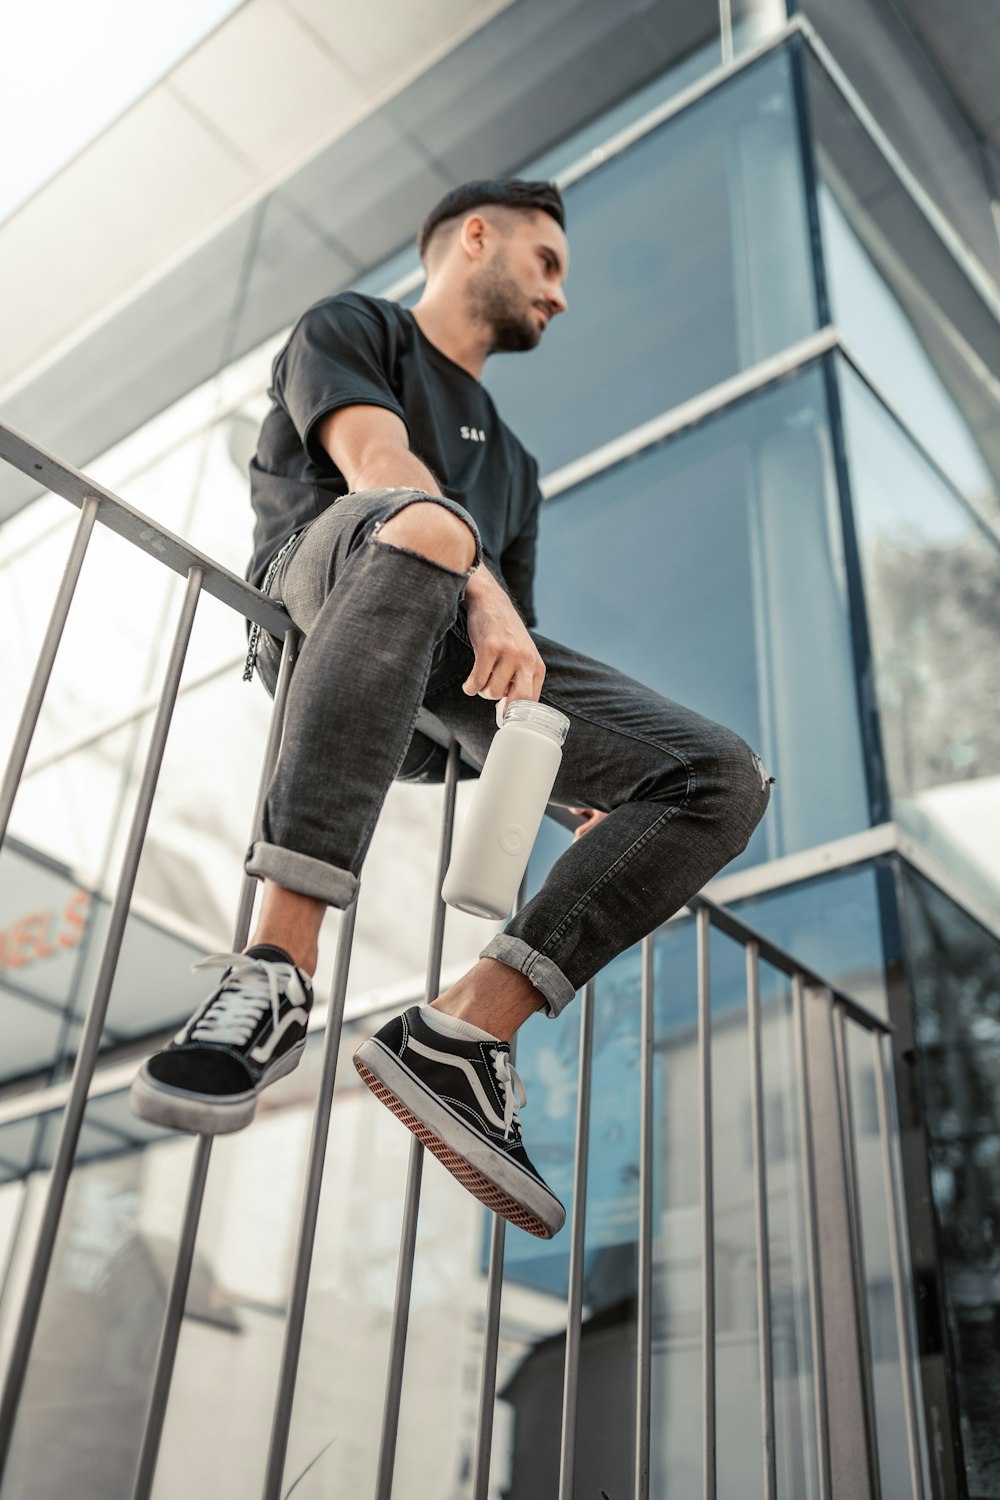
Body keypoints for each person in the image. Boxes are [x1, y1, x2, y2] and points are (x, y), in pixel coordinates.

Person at [130, 179, 774, 1240]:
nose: (561, 298)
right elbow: (377, 468)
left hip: (437, 682)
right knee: (427, 525)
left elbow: (507, 658)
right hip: (331, 593)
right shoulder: (353, 329)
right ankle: (277, 969)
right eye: (548, 265)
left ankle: (465, 1034)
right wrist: (475, 578)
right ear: (474, 237)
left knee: (722, 779)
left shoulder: (515, 469)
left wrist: (579, 792)